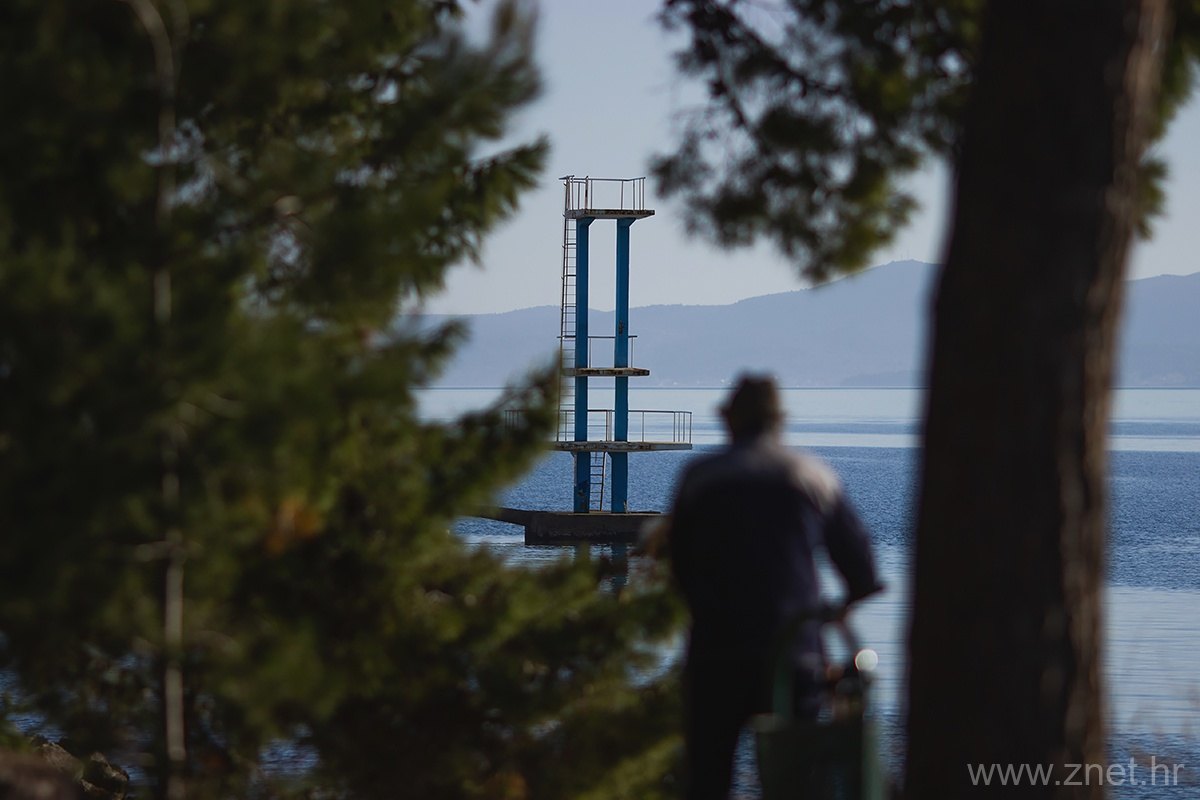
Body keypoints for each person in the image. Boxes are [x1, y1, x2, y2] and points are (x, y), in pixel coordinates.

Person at [667, 374, 882, 800]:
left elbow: (680, 567)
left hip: (716, 653)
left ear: (728, 421)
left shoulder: (700, 477)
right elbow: (863, 573)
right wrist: (836, 611)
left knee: (707, 781)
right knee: (796, 784)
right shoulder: (812, 476)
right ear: (779, 421)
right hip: (794, 654)